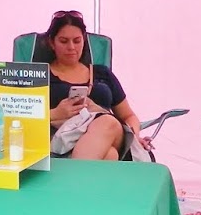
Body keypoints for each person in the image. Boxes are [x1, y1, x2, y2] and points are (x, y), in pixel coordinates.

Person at [42, 9, 150, 160]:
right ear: (52, 43)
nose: (71, 47)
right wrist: (55, 113)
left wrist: (135, 136)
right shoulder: (40, 76)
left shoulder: (102, 73)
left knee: (107, 122)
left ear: (84, 40)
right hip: (61, 140)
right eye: (64, 41)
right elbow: (21, 117)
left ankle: (71, 176)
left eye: (77, 40)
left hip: (110, 130)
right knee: (110, 155)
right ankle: (80, 177)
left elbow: (128, 115)